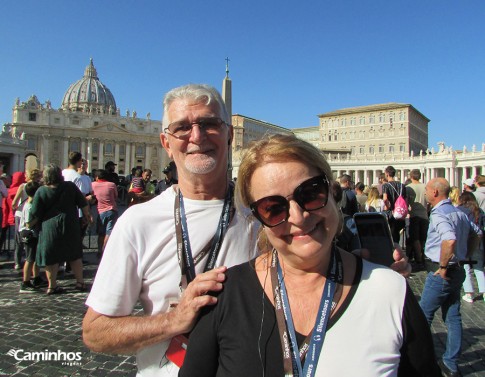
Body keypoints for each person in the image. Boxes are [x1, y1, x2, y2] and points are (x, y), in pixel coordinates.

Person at [82, 84, 410, 377]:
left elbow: (315, 267)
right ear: (166, 143)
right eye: (183, 127)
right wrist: (173, 320)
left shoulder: (270, 210)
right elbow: (95, 332)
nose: (196, 136)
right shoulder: (136, 223)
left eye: (209, 124)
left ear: (229, 135)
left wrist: (368, 280)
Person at [180, 133, 439, 377]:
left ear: (331, 192)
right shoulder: (222, 296)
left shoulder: (391, 292)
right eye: (273, 208)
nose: (298, 216)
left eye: (311, 193)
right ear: (257, 218)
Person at [420, 178, 482, 377]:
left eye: (427, 189)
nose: (426, 192)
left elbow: (449, 240)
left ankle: (418, 362)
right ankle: (451, 363)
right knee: (453, 318)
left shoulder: (439, 213)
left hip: (442, 273)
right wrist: (466, 255)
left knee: (421, 318)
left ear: (435, 193)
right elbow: (478, 233)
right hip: (459, 271)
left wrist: (444, 267)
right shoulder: (459, 211)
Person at [29, 164, 92, 294]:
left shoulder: (41, 191)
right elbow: (83, 204)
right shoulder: (70, 186)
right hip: (70, 223)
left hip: (49, 227)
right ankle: (80, 282)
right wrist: (88, 217)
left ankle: (52, 286)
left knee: (51, 257)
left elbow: (34, 214)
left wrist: (30, 225)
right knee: (75, 254)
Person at [457, 192, 485, 303]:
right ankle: (484, 292)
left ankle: (469, 293)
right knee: (479, 268)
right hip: (478, 241)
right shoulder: (479, 211)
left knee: (466, 267)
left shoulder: (459, 210)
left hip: (464, 241)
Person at [19, 181, 45, 293]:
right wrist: (39, 217)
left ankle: (36, 277)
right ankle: (25, 282)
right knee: (29, 259)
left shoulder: (31, 203)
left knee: (34, 257)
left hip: (33, 233)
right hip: (29, 234)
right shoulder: (29, 206)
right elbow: (28, 223)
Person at [91, 169, 118, 258]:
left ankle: (99, 250)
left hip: (100, 211)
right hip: (112, 210)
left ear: (97, 177)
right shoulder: (112, 185)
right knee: (109, 232)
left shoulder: (93, 185)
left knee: (101, 233)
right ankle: (105, 249)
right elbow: (116, 196)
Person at [406, 169, 429, 271]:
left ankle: (419, 260)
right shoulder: (425, 187)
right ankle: (423, 256)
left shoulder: (408, 187)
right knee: (423, 238)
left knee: (415, 238)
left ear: (411, 177)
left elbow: (406, 203)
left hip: (414, 215)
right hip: (424, 214)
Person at [5, 172, 26, 270]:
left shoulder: (13, 189)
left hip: (17, 214)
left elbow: (12, 204)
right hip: (29, 215)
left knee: (18, 241)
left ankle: (17, 261)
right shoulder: (31, 186)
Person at [382, 165, 407, 243]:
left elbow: (385, 198)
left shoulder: (386, 185)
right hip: (400, 212)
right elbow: (405, 200)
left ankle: (392, 251)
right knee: (397, 233)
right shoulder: (402, 185)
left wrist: (387, 206)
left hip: (391, 212)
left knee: (390, 233)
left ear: (387, 174)